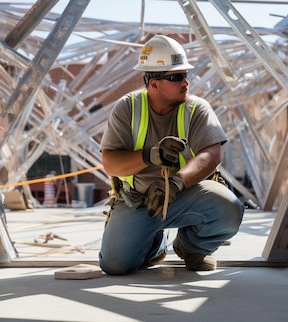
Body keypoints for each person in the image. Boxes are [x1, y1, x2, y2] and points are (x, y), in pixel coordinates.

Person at [98, 35, 245, 275]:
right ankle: (154, 245)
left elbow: (212, 154)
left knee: (228, 208)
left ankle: (191, 248)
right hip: (139, 201)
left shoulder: (197, 108)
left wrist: (176, 184)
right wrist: (150, 155)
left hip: (184, 195)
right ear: (153, 83)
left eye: (185, 75)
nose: (185, 82)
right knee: (114, 265)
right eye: (176, 77)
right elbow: (111, 164)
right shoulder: (128, 108)